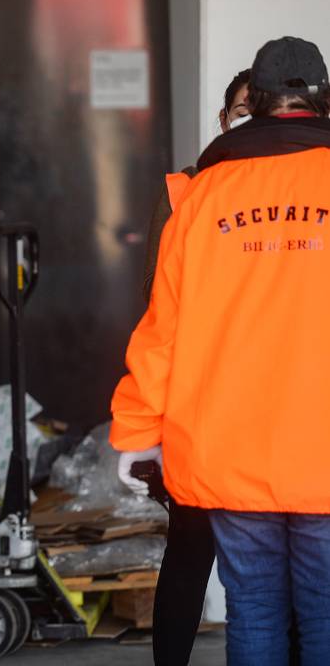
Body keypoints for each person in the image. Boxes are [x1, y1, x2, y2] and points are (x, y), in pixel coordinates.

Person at [110, 36, 330, 666]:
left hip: (227, 447)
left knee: (254, 607)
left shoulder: (200, 194)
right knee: (323, 608)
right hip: (323, 447)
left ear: (253, 102)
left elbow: (162, 329)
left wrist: (135, 432)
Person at [120, 68, 250, 666]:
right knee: (190, 554)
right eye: (239, 109)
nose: (249, 118)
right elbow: (157, 308)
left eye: (260, 106)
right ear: (223, 120)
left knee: (269, 574)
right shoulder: (186, 192)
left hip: (269, 408)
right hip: (198, 411)